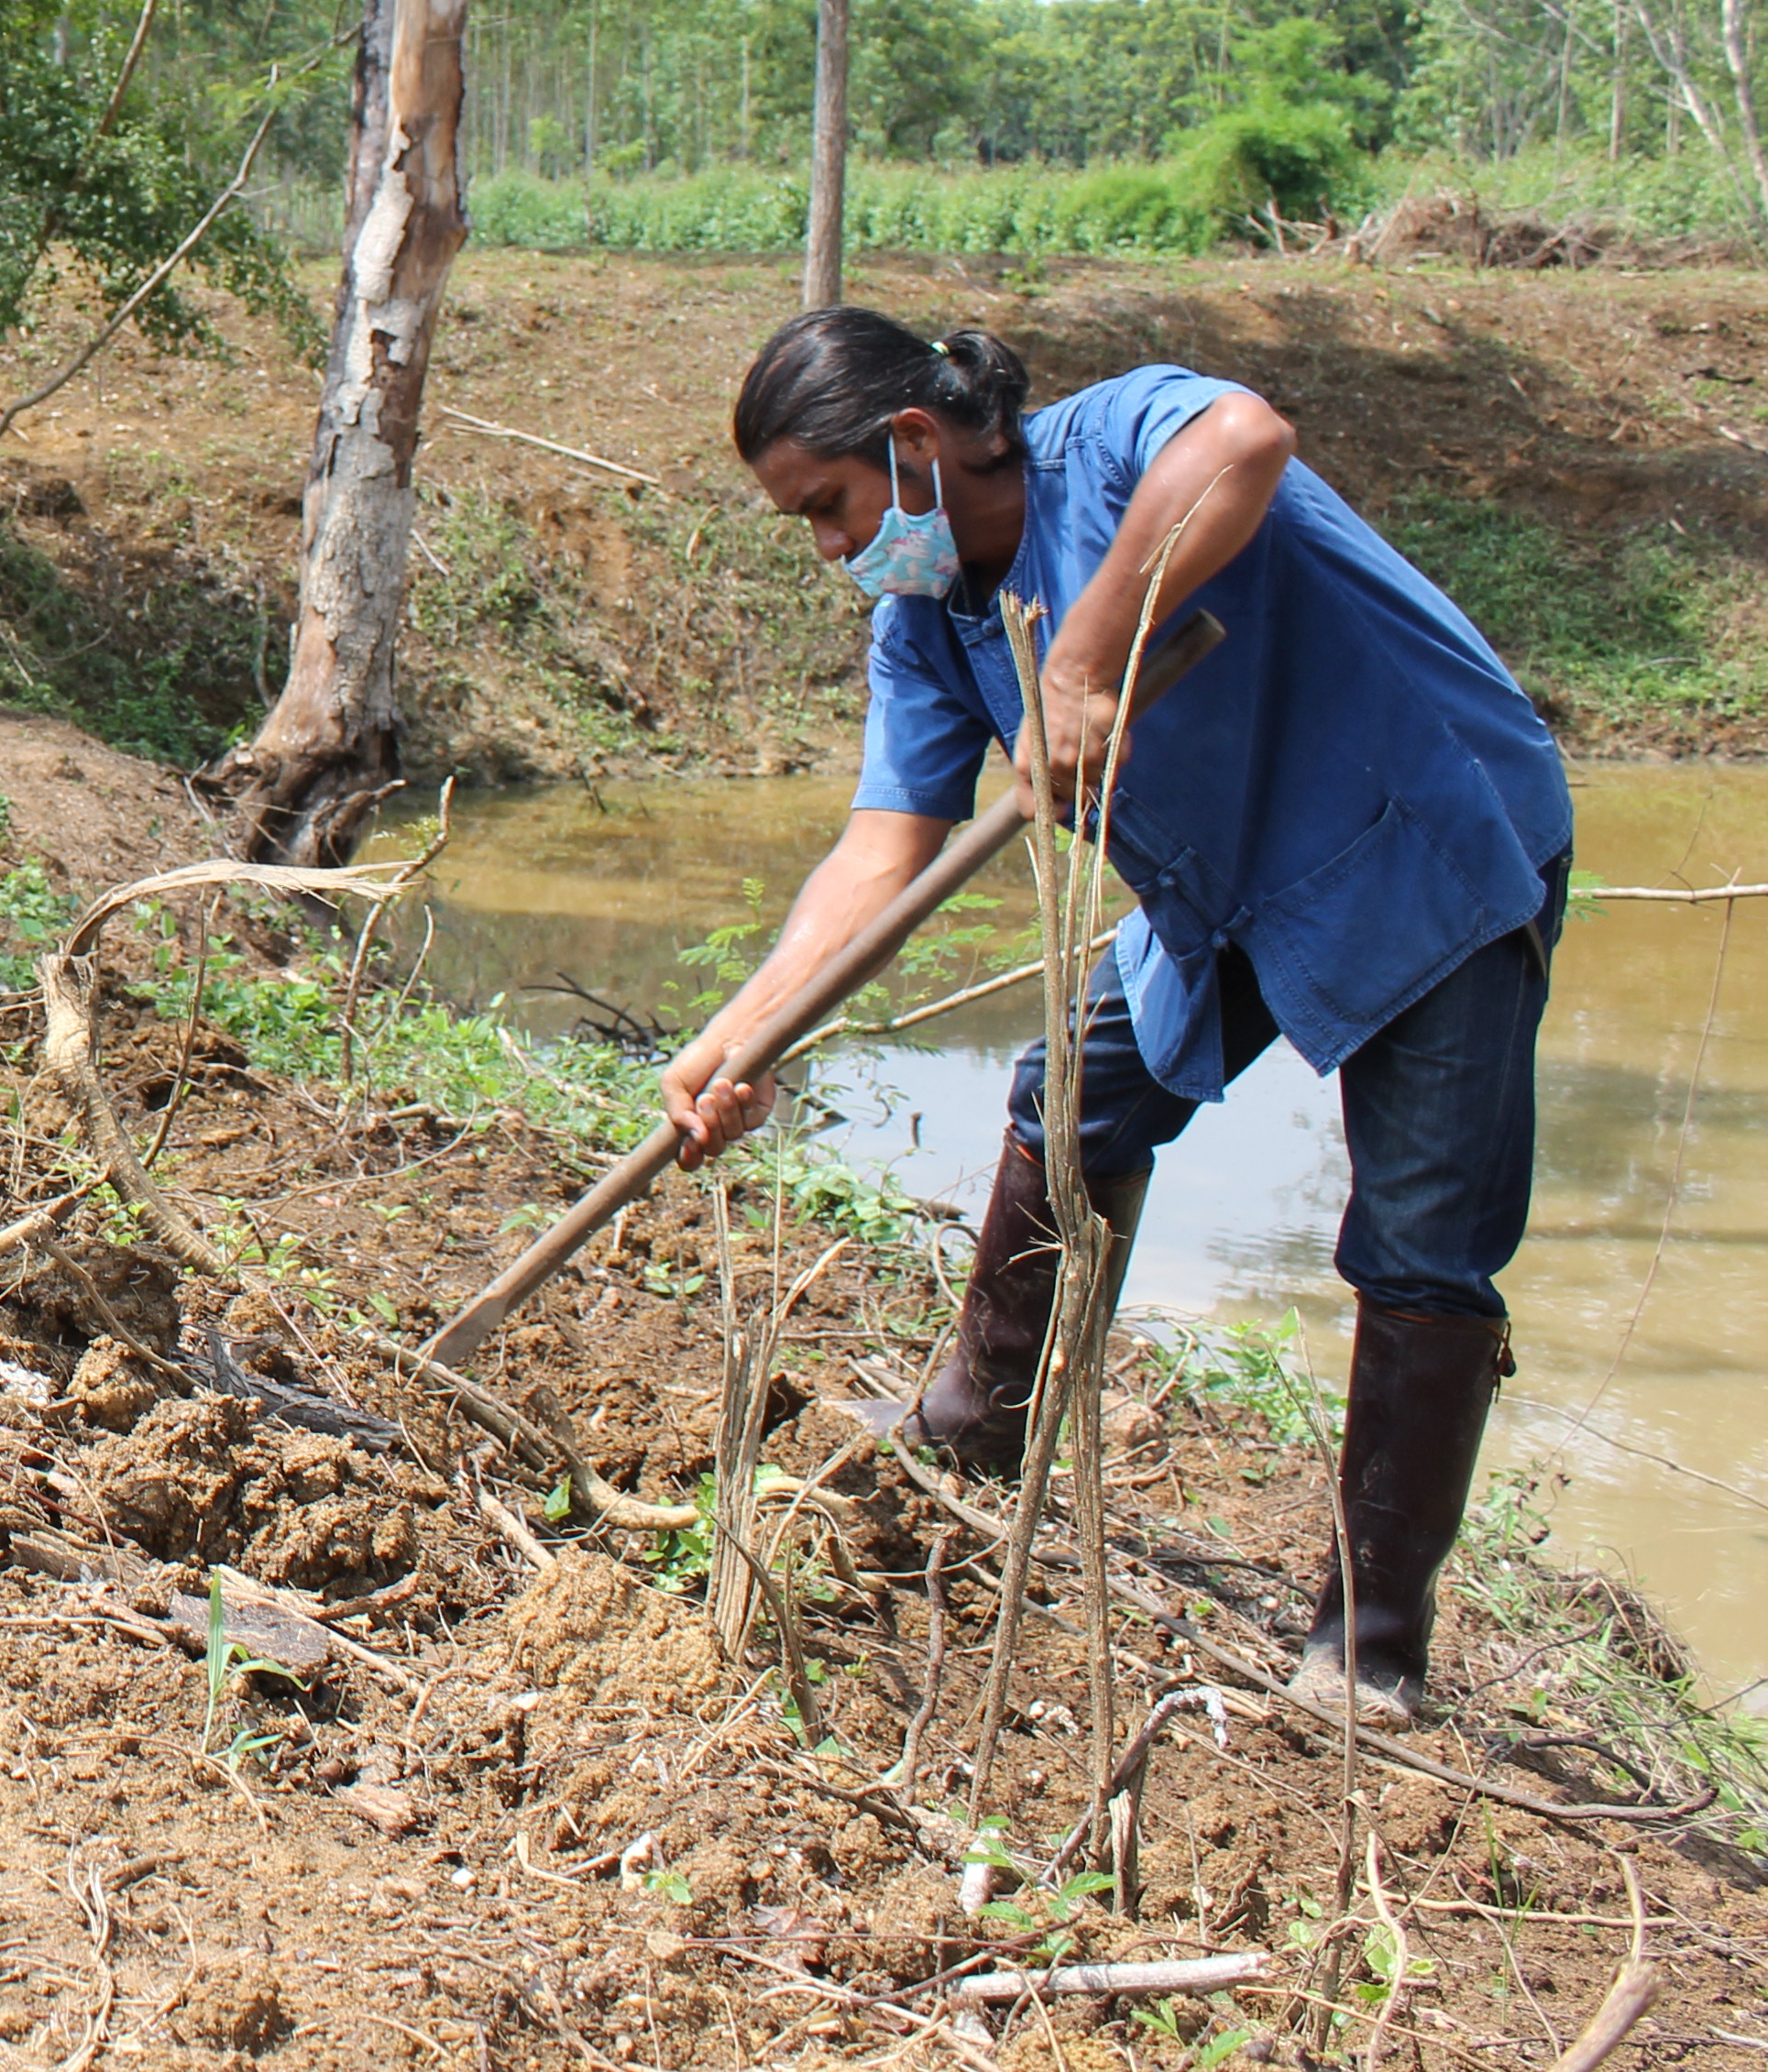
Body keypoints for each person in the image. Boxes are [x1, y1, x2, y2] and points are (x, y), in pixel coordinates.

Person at [666, 310, 1575, 1729]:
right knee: (1073, 1099)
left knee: (1418, 1234)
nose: (832, 549)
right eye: (807, 524)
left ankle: (1370, 1642)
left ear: (912, 445)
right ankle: (973, 1433)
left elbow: (1246, 440)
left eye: (831, 508)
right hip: (1227, 892)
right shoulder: (929, 625)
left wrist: (1086, 656)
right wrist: (749, 1034)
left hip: (1426, 844)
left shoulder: (1117, 443)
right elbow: (882, 849)